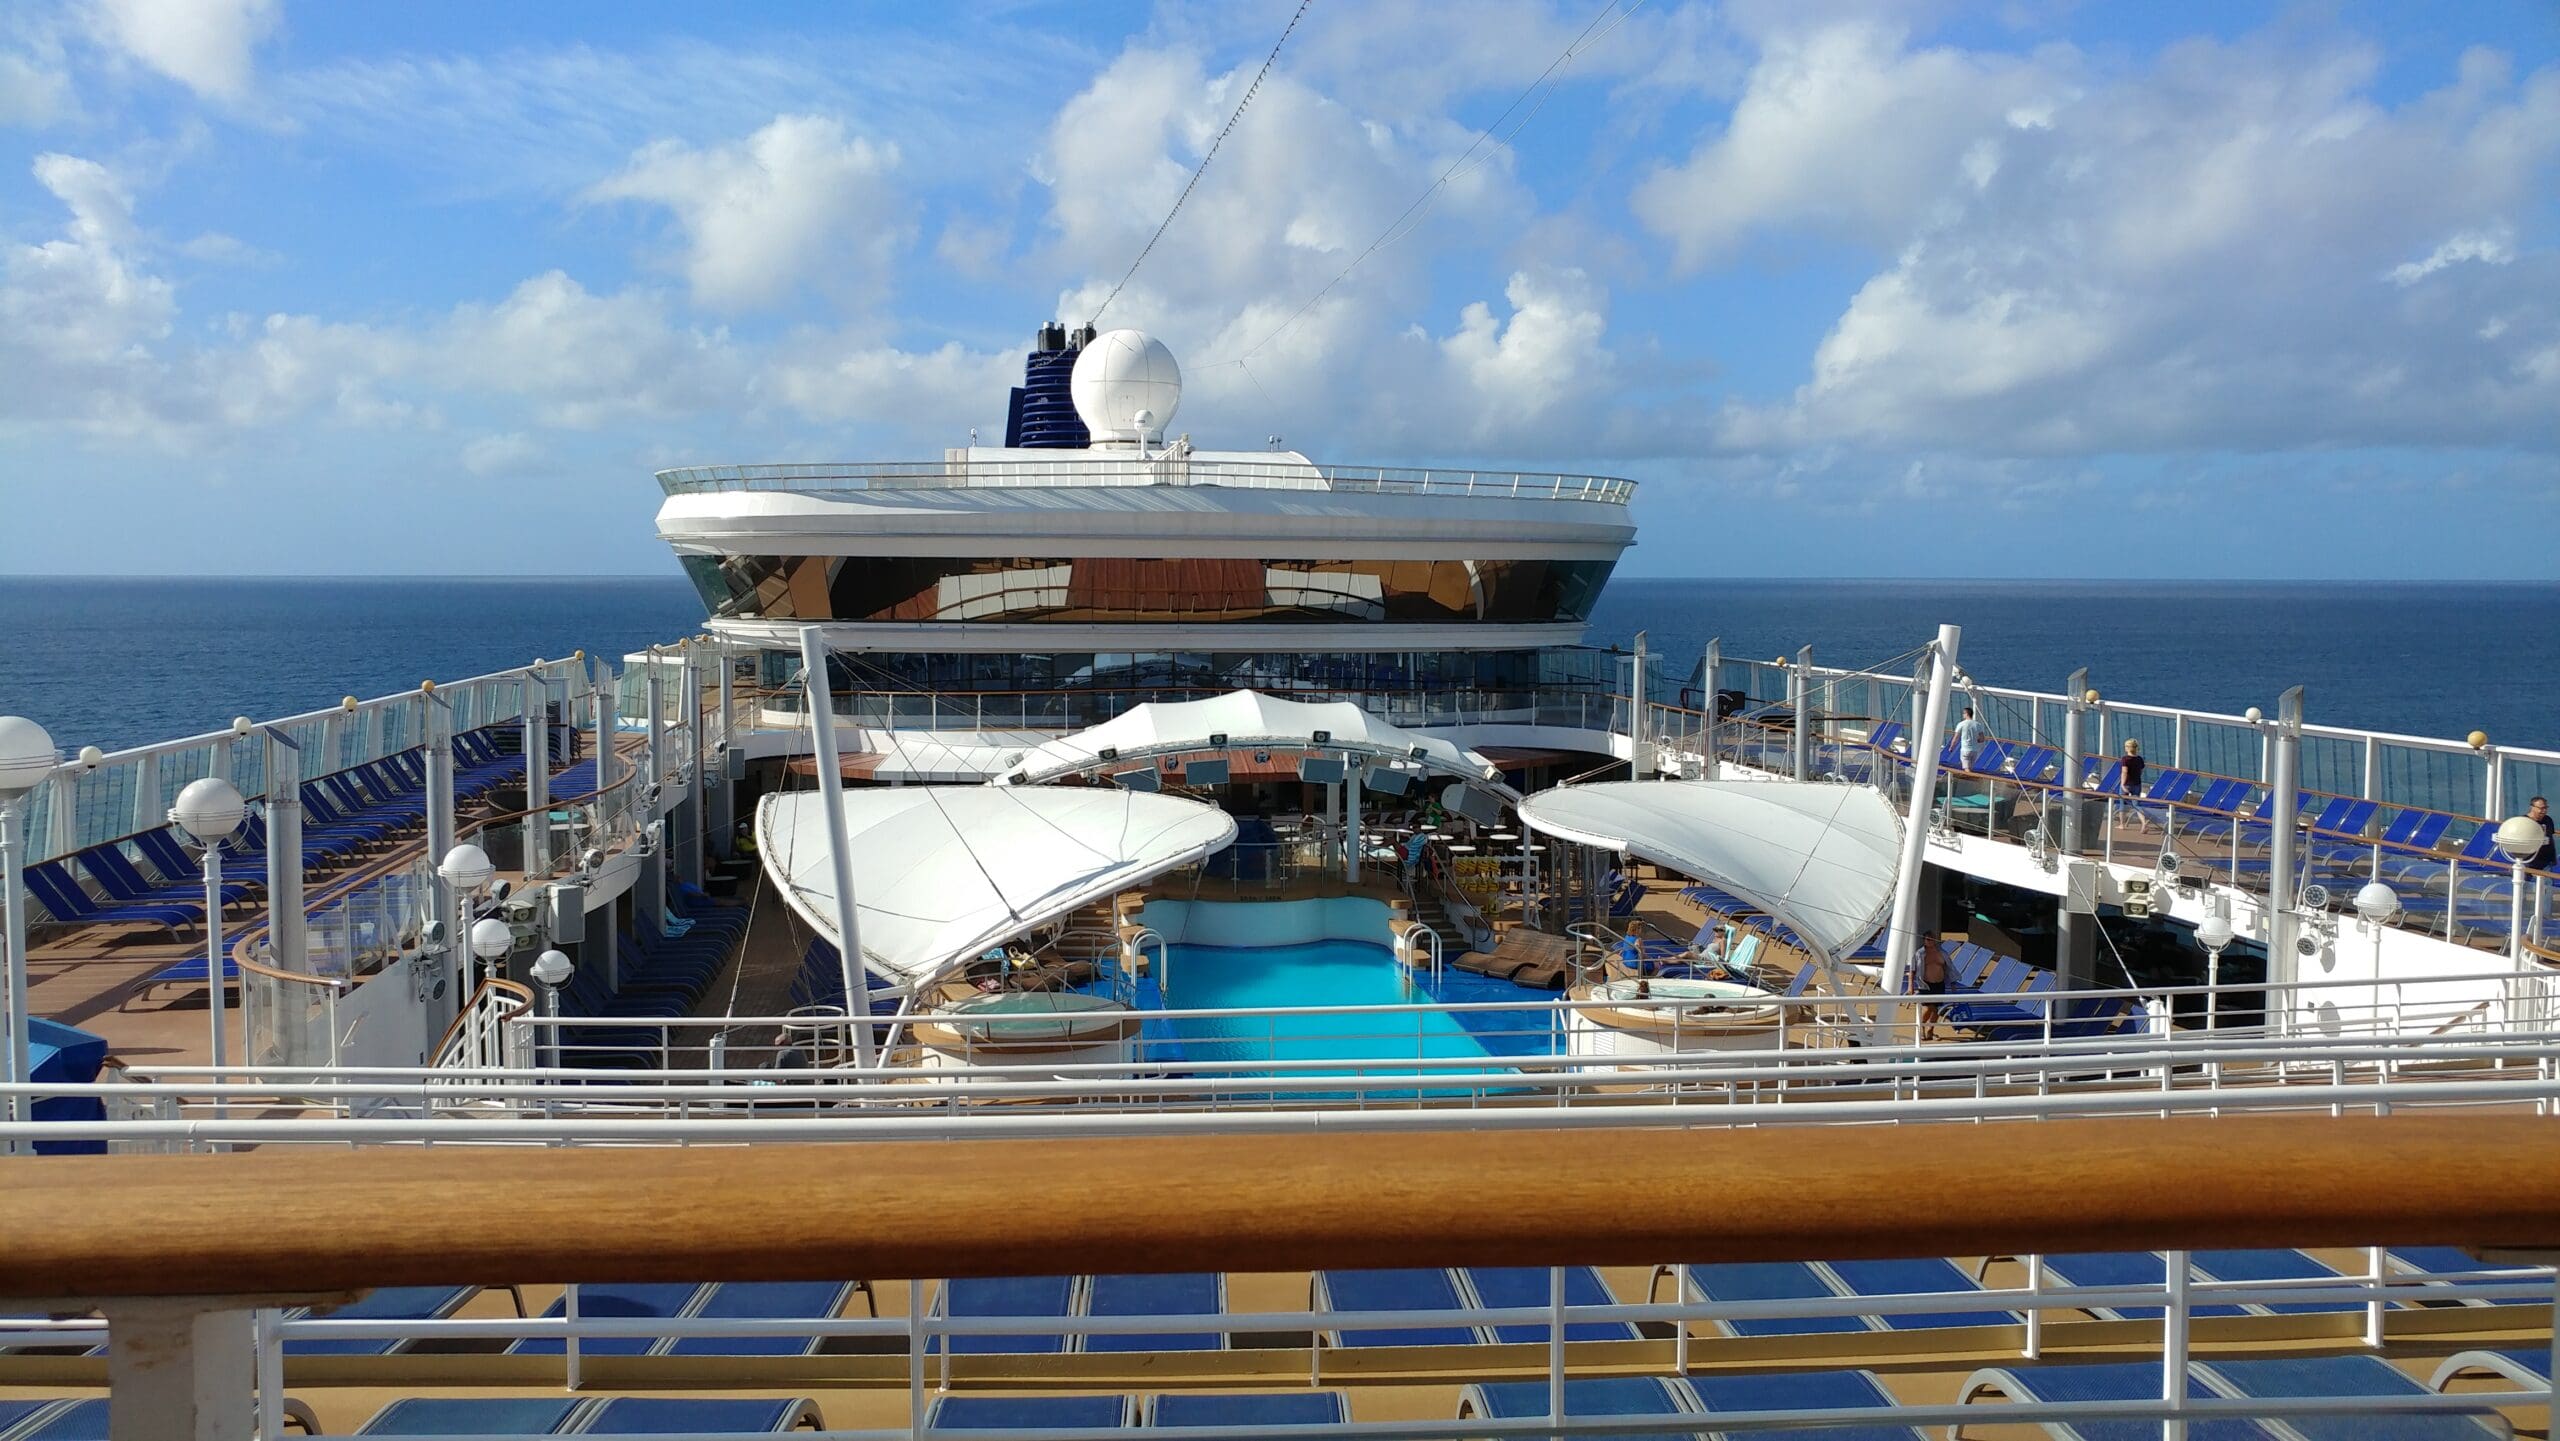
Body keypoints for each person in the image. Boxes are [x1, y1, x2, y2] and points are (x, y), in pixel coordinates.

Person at [2117, 738, 2148, 830]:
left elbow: (2124, 772)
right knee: (2136, 804)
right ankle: (2143, 822)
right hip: (2137, 784)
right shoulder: (2139, 759)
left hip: (2127, 784)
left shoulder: (2125, 759)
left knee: (2122, 803)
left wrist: (2122, 784)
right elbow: (2141, 770)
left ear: (2127, 748)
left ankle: (2122, 824)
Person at [1953, 707, 1989, 771]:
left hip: (1965, 749)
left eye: (1963, 713)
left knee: (1966, 768)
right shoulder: (1978, 724)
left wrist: (1951, 747)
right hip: (1974, 750)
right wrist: (1976, 740)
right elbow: (1982, 739)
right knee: (1970, 768)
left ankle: (1969, 776)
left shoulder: (1961, 724)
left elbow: (1955, 737)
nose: (1963, 715)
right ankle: (1969, 778)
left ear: (1966, 714)